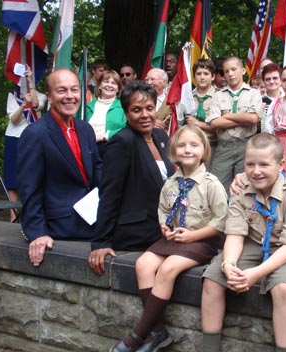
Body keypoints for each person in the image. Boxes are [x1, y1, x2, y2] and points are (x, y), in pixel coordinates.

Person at [110, 125, 228, 352]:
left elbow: (222, 221)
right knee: (143, 264)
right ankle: (157, 331)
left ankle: (139, 334)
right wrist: (165, 228)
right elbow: (164, 211)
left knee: (167, 269)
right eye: (182, 145)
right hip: (174, 239)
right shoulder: (170, 184)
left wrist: (193, 235)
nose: (187, 150)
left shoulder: (211, 184)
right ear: (174, 151)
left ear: (204, 150)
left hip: (201, 241)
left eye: (194, 145)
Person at [201, 133, 286, 352]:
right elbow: (235, 235)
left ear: (281, 165)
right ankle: (209, 347)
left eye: (264, 164)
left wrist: (256, 273)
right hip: (252, 243)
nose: (256, 171)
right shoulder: (241, 189)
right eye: (250, 164)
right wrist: (229, 264)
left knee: (284, 289)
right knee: (212, 279)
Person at [17, 69, 101, 267]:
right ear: (49, 96)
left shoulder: (85, 129)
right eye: (62, 91)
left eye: (74, 90)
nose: (70, 96)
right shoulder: (35, 134)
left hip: (95, 217)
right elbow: (30, 188)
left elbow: (98, 170)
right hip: (62, 224)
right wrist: (37, 233)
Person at [89, 80, 175, 274]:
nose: (145, 115)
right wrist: (101, 242)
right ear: (126, 113)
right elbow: (109, 194)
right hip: (137, 232)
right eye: (137, 110)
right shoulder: (121, 142)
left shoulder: (161, 137)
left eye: (149, 108)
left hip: (162, 226)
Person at [207, 56, 263, 193]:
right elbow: (214, 123)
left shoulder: (253, 93)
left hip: (246, 145)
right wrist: (243, 118)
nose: (230, 74)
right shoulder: (217, 96)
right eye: (226, 71)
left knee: (245, 187)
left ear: (243, 70)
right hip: (224, 147)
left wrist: (228, 116)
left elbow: (254, 119)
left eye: (234, 69)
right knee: (218, 188)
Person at [4, 66, 46, 222]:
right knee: (12, 179)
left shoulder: (41, 96)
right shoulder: (12, 96)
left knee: (32, 176)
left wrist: (30, 82)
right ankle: (13, 218)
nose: (23, 82)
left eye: (27, 79)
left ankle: (31, 216)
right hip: (14, 137)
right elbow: (14, 120)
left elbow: (35, 105)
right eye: (22, 79)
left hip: (33, 139)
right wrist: (23, 105)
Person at [185, 59, 218, 169]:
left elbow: (221, 127)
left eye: (206, 73)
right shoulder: (187, 97)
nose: (202, 77)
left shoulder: (220, 97)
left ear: (213, 77)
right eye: (198, 74)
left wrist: (197, 123)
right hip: (191, 146)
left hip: (212, 145)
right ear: (194, 76)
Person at [87, 70, 127, 157]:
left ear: (118, 89)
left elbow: (128, 129)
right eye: (106, 81)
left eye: (114, 83)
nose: (109, 85)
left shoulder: (124, 107)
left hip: (112, 150)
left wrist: (105, 136)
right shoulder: (87, 106)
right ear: (100, 86)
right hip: (87, 148)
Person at [261, 63, 283, 134]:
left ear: (281, 79)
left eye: (275, 78)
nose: (272, 81)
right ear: (263, 81)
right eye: (268, 79)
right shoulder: (259, 101)